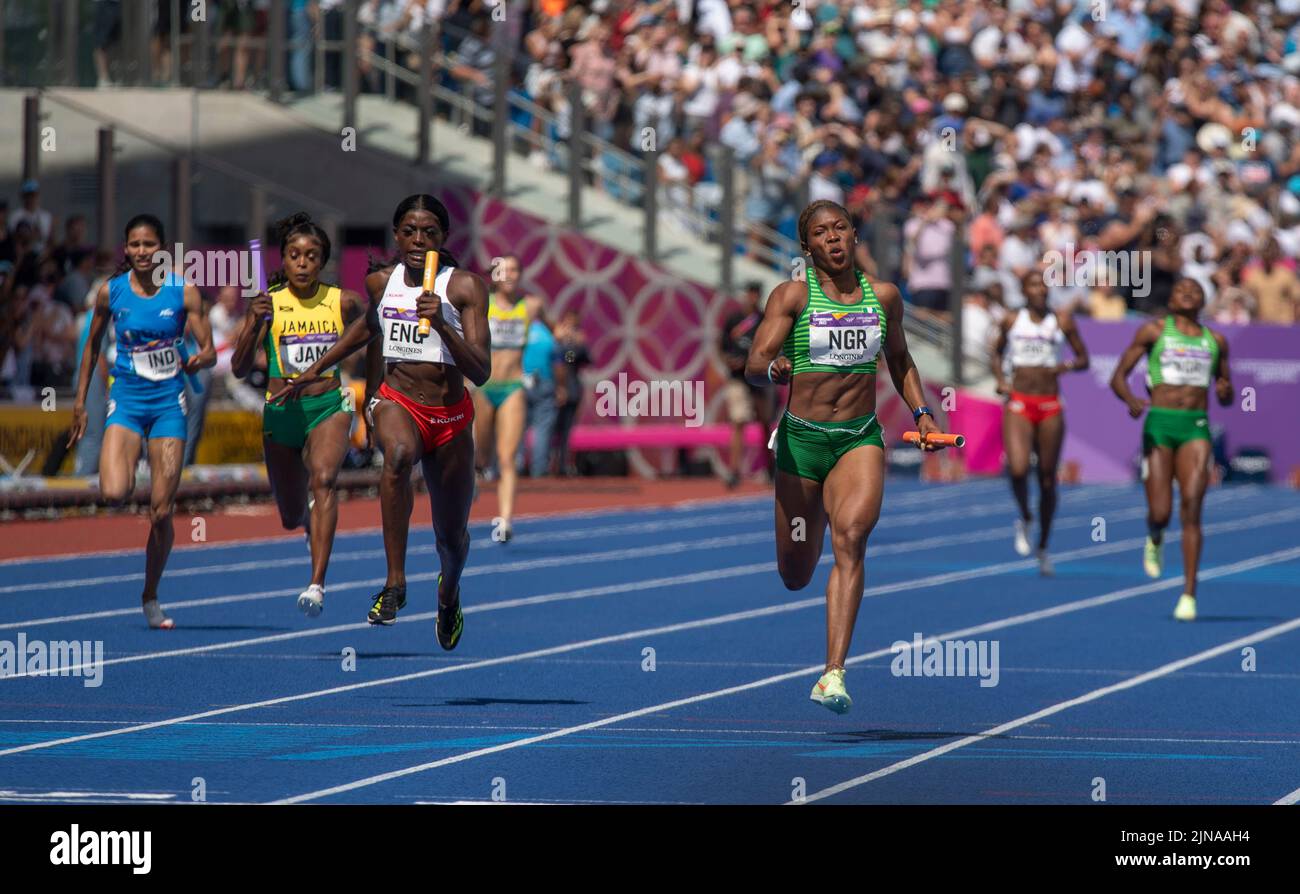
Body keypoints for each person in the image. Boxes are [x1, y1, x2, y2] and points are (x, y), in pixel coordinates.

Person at [744, 200, 946, 714]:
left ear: (855, 235)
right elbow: (754, 361)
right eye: (820, 232)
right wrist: (775, 370)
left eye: (840, 228)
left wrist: (922, 412)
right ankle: (803, 576)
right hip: (800, 442)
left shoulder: (884, 297)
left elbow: (899, 358)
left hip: (858, 438)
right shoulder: (791, 296)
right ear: (806, 246)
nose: (832, 239)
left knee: (852, 537)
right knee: (795, 572)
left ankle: (833, 672)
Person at [278, 194, 489, 647]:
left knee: (452, 542)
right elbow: (367, 328)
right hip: (397, 402)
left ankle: (448, 593)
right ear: (396, 235)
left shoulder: (465, 288)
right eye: (409, 231)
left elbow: (481, 371)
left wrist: (444, 325)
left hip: (450, 417)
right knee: (396, 454)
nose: (418, 240)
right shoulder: (381, 282)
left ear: (443, 238)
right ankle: (395, 583)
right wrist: (316, 368)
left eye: (429, 233)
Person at [67, 214, 216, 629]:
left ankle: (150, 595)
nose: (141, 252)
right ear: (125, 248)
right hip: (127, 400)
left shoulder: (182, 291)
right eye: (134, 244)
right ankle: (131, 467)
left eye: (149, 244)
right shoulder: (110, 292)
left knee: (161, 511)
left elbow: (210, 352)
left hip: (169, 404)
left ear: (162, 248)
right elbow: (91, 345)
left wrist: (195, 359)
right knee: (114, 490)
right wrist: (80, 402)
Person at [241, 212, 365, 615]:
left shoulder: (342, 301)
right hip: (281, 413)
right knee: (291, 515)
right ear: (284, 259)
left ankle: (316, 584)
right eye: (294, 255)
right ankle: (309, 525)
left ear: (322, 261)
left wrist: (378, 391)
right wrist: (251, 326)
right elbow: (242, 368)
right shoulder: (268, 304)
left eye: (312, 256)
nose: (303, 263)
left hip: (328, 405)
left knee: (325, 480)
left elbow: (373, 333)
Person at [1109, 278, 1233, 622]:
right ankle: (1155, 535)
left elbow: (1227, 390)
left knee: (1192, 505)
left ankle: (1189, 593)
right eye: (1182, 289)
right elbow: (1117, 376)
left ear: (1204, 300)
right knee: (1161, 511)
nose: (1189, 293)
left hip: (1195, 425)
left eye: (1195, 290)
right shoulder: (1152, 332)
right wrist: (1131, 400)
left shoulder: (1215, 340)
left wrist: (1225, 391)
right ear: (1172, 298)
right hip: (1160, 425)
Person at [991, 271, 1090, 574]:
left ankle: (1044, 546)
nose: (1039, 290)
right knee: (1019, 468)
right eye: (1033, 285)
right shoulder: (1012, 320)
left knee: (1047, 478)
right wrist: (1000, 380)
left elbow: (1084, 358)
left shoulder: (1061, 321)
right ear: (1023, 290)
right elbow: (995, 353)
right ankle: (1025, 517)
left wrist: (1067, 365)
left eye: (1043, 286)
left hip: (1050, 404)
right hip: (1019, 400)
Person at [473, 255, 546, 541]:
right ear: (494, 275)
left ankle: (505, 521)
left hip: (513, 387)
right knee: (482, 454)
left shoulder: (531, 306)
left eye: (515, 269)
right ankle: (475, 476)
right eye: (504, 269)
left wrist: (564, 343)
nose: (509, 274)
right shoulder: (483, 305)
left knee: (506, 458)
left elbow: (554, 329)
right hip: (485, 387)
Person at [719, 281, 775, 487]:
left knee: (765, 424)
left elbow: (772, 346)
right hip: (737, 378)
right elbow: (722, 345)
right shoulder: (734, 319)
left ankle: (770, 467)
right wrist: (728, 361)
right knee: (738, 422)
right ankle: (734, 471)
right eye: (750, 293)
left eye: (756, 293)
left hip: (759, 377)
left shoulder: (764, 319)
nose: (752, 297)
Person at [520, 294, 566, 477]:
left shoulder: (518, 331)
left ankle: (516, 466)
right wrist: (562, 387)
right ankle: (539, 470)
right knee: (542, 429)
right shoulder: (548, 335)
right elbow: (559, 363)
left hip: (520, 382)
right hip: (544, 382)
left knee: (517, 427)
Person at [552, 308, 589, 476]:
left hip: (572, 390)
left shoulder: (577, 343)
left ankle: (563, 465)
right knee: (551, 429)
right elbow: (555, 358)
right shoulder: (555, 340)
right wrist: (562, 342)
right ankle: (547, 464)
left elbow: (578, 359)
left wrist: (574, 344)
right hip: (553, 390)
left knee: (566, 430)